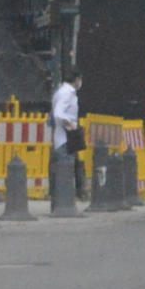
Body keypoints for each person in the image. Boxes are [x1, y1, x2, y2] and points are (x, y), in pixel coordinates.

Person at [51, 68, 83, 198]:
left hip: (65, 137)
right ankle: (65, 200)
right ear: (76, 79)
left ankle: (65, 198)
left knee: (67, 168)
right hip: (66, 138)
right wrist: (70, 125)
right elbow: (59, 113)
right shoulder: (66, 93)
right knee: (66, 169)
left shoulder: (65, 92)